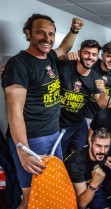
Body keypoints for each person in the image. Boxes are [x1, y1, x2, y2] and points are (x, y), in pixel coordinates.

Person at [1, 14, 83, 209]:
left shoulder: (50, 58)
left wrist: (74, 31)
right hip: (31, 141)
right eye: (41, 33)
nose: (47, 38)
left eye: (51, 34)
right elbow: (14, 113)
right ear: (28, 34)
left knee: (52, 191)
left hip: (53, 135)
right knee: (32, 198)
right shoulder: (19, 64)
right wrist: (23, 151)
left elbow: (64, 47)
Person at [58, 40, 108, 157]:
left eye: (94, 54)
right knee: (59, 157)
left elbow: (102, 105)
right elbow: (49, 61)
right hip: (60, 124)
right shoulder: (66, 67)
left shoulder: (96, 78)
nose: (90, 57)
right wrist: (64, 57)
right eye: (87, 53)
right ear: (79, 53)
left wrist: (103, 91)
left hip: (79, 124)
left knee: (79, 155)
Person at [65, 128, 111, 209]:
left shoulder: (105, 150)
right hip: (74, 190)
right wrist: (95, 183)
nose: (102, 151)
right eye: (98, 146)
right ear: (91, 144)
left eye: (106, 146)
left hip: (93, 184)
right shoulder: (76, 164)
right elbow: (82, 204)